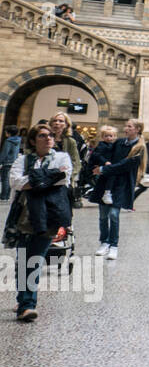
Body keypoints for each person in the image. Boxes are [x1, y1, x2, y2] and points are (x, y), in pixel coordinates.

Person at [5, 124, 73, 321]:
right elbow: (16, 182)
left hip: (50, 214)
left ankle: (27, 304)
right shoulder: (23, 159)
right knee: (24, 258)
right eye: (43, 136)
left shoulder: (62, 157)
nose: (49, 139)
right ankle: (25, 300)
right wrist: (48, 177)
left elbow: (64, 177)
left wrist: (34, 180)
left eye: (51, 135)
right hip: (25, 214)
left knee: (35, 259)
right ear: (34, 140)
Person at [93, 128, 147, 260]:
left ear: (137, 129)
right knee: (103, 216)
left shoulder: (139, 147)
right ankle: (104, 242)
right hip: (106, 181)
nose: (126, 128)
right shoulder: (119, 142)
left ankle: (114, 245)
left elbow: (125, 165)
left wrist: (104, 168)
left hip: (121, 184)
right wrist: (101, 163)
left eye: (129, 126)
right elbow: (102, 153)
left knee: (114, 214)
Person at [49, 113, 82, 208]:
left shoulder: (70, 141)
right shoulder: (46, 137)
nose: (57, 123)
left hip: (63, 180)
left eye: (60, 121)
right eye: (55, 121)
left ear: (66, 124)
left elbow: (76, 161)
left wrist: (69, 175)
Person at [0, 125, 20, 202]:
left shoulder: (8, 141)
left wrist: (0, 161)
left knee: (5, 178)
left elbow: (5, 152)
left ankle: (3, 195)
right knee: (9, 179)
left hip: (7, 162)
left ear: (9, 133)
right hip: (13, 161)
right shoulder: (18, 140)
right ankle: (7, 195)